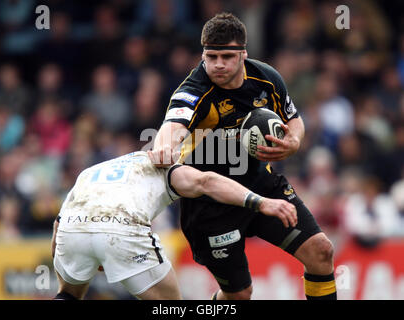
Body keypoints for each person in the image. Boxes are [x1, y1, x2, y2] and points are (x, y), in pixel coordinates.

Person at [152, 12, 336, 300]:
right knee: (239, 295)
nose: (218, 64)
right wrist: (163, 146)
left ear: (243, 54)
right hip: (210, 205)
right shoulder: (193, 91)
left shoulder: (266, 78)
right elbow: (172, 127)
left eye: (227, 56)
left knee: (321, 251)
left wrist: (294, 141)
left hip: (260, 184)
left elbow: (294, 119)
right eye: (211, 56)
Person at [51, 150, 297, 300]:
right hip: (121, 227)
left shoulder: (93, 170)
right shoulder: (164, 167)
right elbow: (205, 182)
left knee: (68, 296)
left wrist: (74, 259)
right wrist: (261, 202)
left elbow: (57, 225)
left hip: (72, 229)